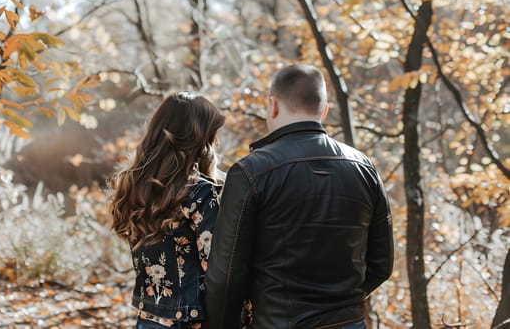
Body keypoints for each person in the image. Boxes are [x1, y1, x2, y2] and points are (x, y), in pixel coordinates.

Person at [205, 64, 394, 329]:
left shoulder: (250, 172)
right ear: (324, 111)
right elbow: (381, 263)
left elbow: (225, 276)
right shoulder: (363, 167)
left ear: (273, 105)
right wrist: (339, 306)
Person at [109, 92, 225, 329]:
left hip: (147, 320)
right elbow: (216, 268)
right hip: (191, 322)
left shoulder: (134, 187)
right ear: (200, 138)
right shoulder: (201, 193)